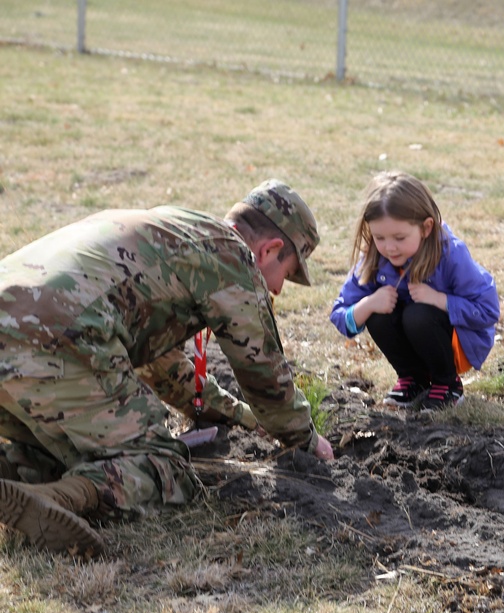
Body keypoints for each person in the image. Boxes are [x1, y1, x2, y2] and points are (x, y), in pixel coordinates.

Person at [0, 179, 335, 556]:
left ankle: (12, 481)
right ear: (269, 250)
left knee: (71, 448)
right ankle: (54, 501)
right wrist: (306, 439)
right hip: (54, 338)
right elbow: (264, 374)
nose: (276, 291)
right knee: (164, 467)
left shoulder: (175, 232)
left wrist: (237, 416)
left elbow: (164, 369)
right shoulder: (232, 258)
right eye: (286, 275)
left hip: (22, 332)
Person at [329, 171, 500, 412]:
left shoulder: (451, 254)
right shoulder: (374, 258)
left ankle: (447, 383)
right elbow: (339, 314)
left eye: (399, 237)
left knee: (417, 315)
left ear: (426, 227)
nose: (389, 247)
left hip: (457, 343)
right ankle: (413, 379)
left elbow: (488, 311)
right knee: (377, 314)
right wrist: (368, 304)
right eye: (379, 237)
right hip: (415, 337)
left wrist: (440, 300)